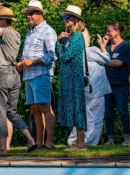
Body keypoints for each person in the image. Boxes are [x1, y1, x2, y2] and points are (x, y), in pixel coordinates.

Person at [0, 2, 36, 155]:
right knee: (12, 112)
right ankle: (30, 139)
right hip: (14, 75)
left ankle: (3, 148)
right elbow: (7, 51)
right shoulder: (17, 34)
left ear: (4, 21)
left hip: (2, 74)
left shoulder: (4, 32)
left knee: (0, 113)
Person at [16, 0, 57, 149]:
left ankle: (50, 142)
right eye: (27, 13)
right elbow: (26, 55)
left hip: (42, 74)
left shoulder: (48, 30)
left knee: (45, 107)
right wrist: (21, 63)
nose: (28, 16)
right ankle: (39, 142)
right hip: (28, 76)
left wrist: (32, 62)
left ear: (40, 13)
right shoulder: (29, 32)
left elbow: (53, 55)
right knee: (34, 109)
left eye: (31, 13)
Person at [68, 34, 112, 146]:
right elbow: (106, 59)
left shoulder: (73, 53)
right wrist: (102, 46)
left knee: (82, 116)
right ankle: (90, 142)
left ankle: (74, 140)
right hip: (96, 89)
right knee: (95, 118)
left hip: (82, 88)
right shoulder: (91, 51)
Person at [55, 5, 87, 151]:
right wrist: (59, 41)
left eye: (68, 17)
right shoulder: (69, 37)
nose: (65, 19)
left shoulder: (78, 37)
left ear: (75, 20)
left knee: (77, 107)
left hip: (75, 76)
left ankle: (81, 143)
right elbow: (60, 54)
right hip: (68, 76)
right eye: (64, 17)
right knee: (73, 108)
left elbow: (65, 56)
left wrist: (59, 45)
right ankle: (79, 142)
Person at [103, 22, 130, 145]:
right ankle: (110, 139)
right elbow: (100, 59)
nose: (107, 33)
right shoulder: (107, 46)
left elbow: (118, 63)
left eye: (109, 31)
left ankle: (127, 139)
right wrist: (103, 46)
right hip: (106, 83)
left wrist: (104, 59)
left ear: (117, 31)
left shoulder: (125, 46)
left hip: (121, 84)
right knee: (108, 113)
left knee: (122, 111)